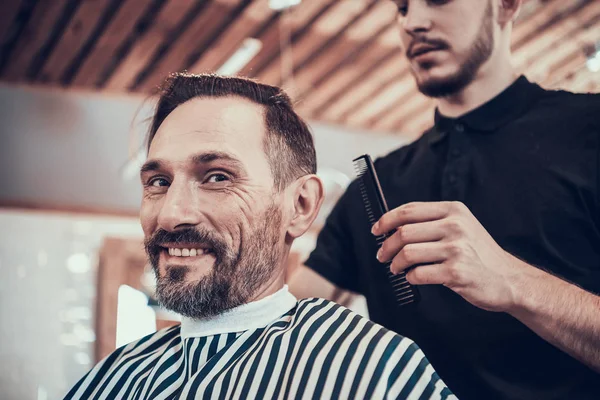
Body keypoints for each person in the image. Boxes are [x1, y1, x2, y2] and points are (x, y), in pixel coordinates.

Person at [64, 73, 456, 400]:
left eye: (217, 177)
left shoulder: (375, 369)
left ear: (300, 205)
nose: (171, 213)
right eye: (158, 181)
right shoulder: (115, 378)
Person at [290, 0, 600, 399]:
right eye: (401, 8)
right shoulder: (376, 186)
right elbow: (290, 316)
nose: (413, 22)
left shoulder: (589, 133)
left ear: (506, 6)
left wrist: (514, 281)